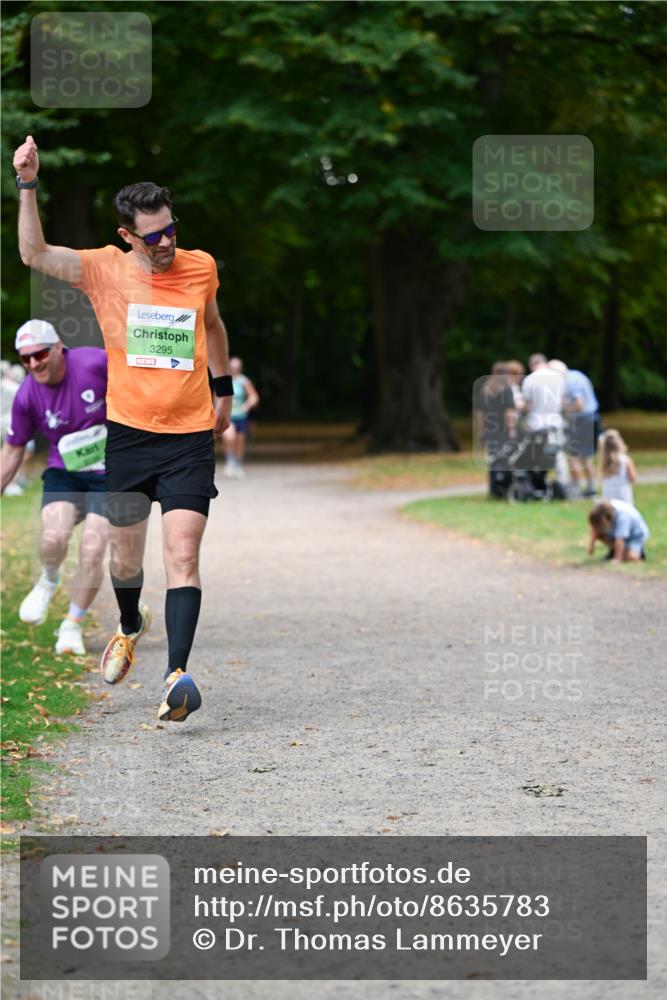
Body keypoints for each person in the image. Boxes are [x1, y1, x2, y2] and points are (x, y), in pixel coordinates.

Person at [14, 134, 233, 723]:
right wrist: (28, 184)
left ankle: (176, 676)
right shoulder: (102, 269)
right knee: (125, 560)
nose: (167, 243)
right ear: (126, 235)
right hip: (130, 436)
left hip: (189, 436)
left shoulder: (200, 267)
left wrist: (223, 388)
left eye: (172, 230)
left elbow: (213, 326)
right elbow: (33, 254)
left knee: (183, 556)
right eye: (154, 235)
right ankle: (131, 621)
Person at [0, 320, 109, 656]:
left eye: (40, 354)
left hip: (111, 473)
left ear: (59, 347)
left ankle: (72, 625)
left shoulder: (94, 362)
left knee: (92, 549)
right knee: (53, 537)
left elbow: (141, 382)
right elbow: (14, 449)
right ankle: (49, 578)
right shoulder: (26, 394)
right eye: (26, 359)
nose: (34, 364)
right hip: (65, 471)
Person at [520, 354, 565, 493]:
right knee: (558, 456)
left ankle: (534, 484)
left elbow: (527, 404)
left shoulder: (530, 379)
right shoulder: (559, 378)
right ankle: (562, 485)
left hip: (536, 424)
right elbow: (562, 402)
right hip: (555, 422)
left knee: (534, 455)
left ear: (532, 365)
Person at [473, 362, 516, 497]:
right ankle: (503, 488)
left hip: (489, 430)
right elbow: (509, 412)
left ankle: (493, 489)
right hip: (502, 429)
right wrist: (512, 429)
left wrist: (481, 430)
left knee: (492, 459)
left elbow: (479, 413)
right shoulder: (507, 389)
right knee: (504, 459)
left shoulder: (484, 389)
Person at [558, 361, 600, 497]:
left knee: (573, 456)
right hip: (591, 418)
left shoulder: (570, 381)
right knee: (586, 457)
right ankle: (591, 488)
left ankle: (577, 489)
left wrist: (563, 410)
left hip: (582, 420)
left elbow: (579, 405)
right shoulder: (576, 375)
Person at [222, 357, 260, 479]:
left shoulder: (244, 381)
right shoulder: (224, 379)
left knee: (240, 441)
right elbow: (217, 397)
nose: (234, 369)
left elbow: (254, 397)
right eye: (232, 366)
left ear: (240, 368)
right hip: (229, 416)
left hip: (241, 416)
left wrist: (247, 405)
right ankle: (229, 461)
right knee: (230, 437)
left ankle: (238, 464)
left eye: (236, 367)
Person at [598, 429, 636, 505]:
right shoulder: (625, 460)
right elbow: (633, 478)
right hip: (624, 497)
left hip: (608, 499)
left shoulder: (605, 462)